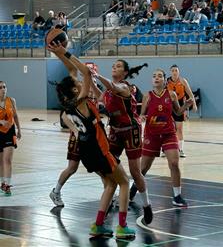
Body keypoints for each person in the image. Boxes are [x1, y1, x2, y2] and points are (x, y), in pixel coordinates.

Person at [47, 43, 135, 240]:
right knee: (124, 182)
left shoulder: (69, 104)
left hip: (86, 151)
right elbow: (86, 72)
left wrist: (59, 54)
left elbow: (77, 74)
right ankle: (122, 227)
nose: (78, 81)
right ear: (74, 89)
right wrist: (67, 52)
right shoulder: (81, 99)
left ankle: (97, 225)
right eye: (75, 82)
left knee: (109, 185)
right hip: (99, 148)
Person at [95, 60, 153, 224]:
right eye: (113, 65)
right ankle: (108, 199)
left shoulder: (124, 86)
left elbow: (113, 88)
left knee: (135, 172)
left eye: (119, 66)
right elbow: (100, 97)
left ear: (125, 73)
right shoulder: (107, 89)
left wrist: (96, 75)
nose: (114, 67)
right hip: (115, 130)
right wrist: (90, 79)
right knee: (107, 167)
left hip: (131, 130)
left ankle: (147, 205)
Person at [129, 69, 193, 207]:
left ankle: (177, 196)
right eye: (154, 76)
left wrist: (186, 106)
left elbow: (177, 112)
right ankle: (132, 191)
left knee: (174, 163)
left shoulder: (172, 94)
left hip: (168, 134)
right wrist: (142, 117)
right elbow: (141, 115)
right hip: (151, 135)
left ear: (165, 80)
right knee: (143, 169)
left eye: (159, 76)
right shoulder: (148, 96)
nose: (156, 78)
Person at [49, 60, 100, 207]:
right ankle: (56, 191)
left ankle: (112, 192)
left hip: (92, 135)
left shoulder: (92, 89)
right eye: (90, 71)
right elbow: (65, 116)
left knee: (99, 166)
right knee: (73, 168)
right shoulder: (79, 93)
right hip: (80, 137)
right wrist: (75, 130)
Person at [166, 65, 197, 158]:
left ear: (178, 72)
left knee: (179, 129)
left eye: (176, 70)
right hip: (169, 105)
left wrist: (194, 104)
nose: (174, 72)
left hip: (180, 106)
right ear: (170, 72)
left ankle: (181, 150)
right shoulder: (166, 82)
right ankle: (164, 149)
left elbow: (190, 94)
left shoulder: (183, 81)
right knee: (167, 129)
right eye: (173, 70)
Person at [0, 81, 22, 196]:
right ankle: (2, 183)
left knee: (7, 160)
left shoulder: (11, 100)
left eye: (4, 87)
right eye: (0, 88)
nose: (3, 89)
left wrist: (19, 129)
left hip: (10, 132)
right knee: (0, 161)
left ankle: (8, 185)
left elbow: (16, 116)